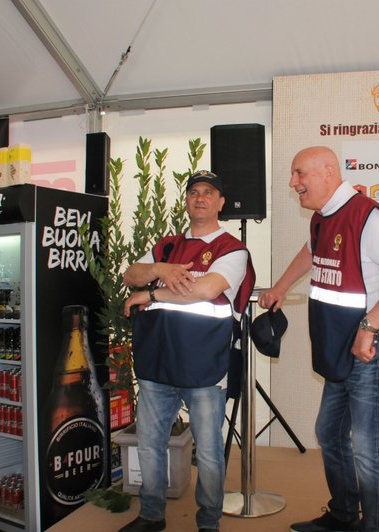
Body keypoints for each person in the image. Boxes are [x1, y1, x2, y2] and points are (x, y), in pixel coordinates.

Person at [258, 146, 379, 532]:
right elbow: (310, 252)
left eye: (300, 173)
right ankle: (345, 514)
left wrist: (369, 328)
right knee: (329, 433)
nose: (293, 182)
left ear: (328, 172)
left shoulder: (366, 218)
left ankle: (376, 526)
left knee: (368, 446)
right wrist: (281, 286)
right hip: (339, 350)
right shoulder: (323, 217)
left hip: (368, 353)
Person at [119, 170, 255, 532]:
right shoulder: (167, 247)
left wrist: (151, 292)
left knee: (208, 452)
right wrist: (159, 268)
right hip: (157, 363)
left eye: (208, 192)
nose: (200, 198)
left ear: (220, 202)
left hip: (204, 367)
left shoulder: (232, 249)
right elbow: (130, 274)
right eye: (194, 192)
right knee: (150, 444)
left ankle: (208, 522)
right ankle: (151, 515)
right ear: (187, 201)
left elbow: (207, 290)